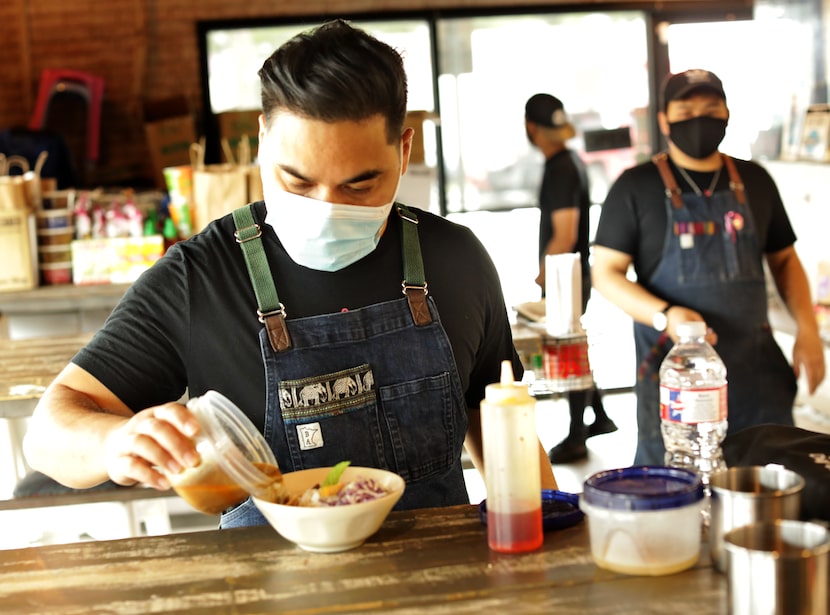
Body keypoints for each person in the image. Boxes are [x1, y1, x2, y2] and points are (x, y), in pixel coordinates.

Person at [22, 20, 558, 527]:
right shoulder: (202, 277)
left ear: (404, 150)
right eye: (297, 182)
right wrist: (113, 443)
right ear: (261, 140)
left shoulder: (455, 260)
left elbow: (502, 424)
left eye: (358, 186)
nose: (326, 207)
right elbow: (48, 434)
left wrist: (546, 550)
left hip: (442, 583)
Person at [592, 68, 826, 465]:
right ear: (665, 120)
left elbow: (784, 259)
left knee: (767, 490)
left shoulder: (755, 180)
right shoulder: (635, 186)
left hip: (757, 378)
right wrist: (666, 315)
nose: (700, 117)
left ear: (727, 114)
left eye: (710, 107)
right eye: (686, 109)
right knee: (675, 497)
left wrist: (808, 329)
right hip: (679, 379)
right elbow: (606, 273)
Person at [524, 93, 618, 464]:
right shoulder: (570, 161)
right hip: (575, 273)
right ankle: (602, 416)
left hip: (565, 276)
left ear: (531, 128)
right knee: (574, 345)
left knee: (570, 350)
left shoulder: (561, 168)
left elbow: (565, 231)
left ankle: (577, 435)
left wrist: (543, 273)